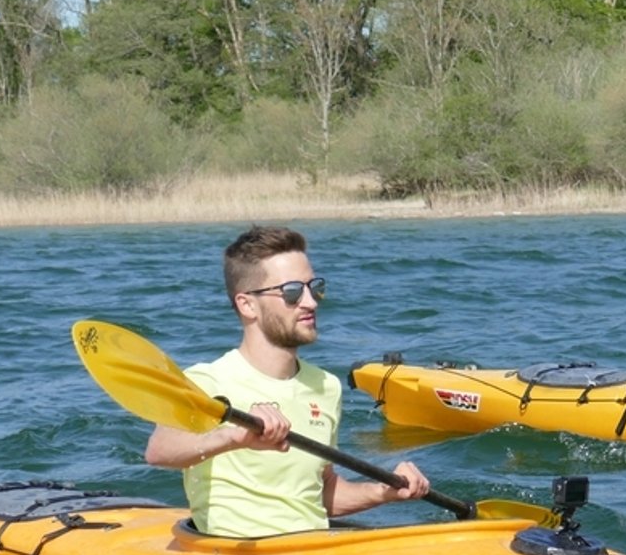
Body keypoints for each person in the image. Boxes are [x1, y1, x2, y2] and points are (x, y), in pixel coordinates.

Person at [145, 225, 431, 538]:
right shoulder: (207, 380)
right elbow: (160, 451)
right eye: (292, 292)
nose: (310, 302)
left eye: (314, 287)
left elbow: (319, 495)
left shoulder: (325, 385)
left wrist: (384, 492)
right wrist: (234, 438)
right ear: (247, 305)